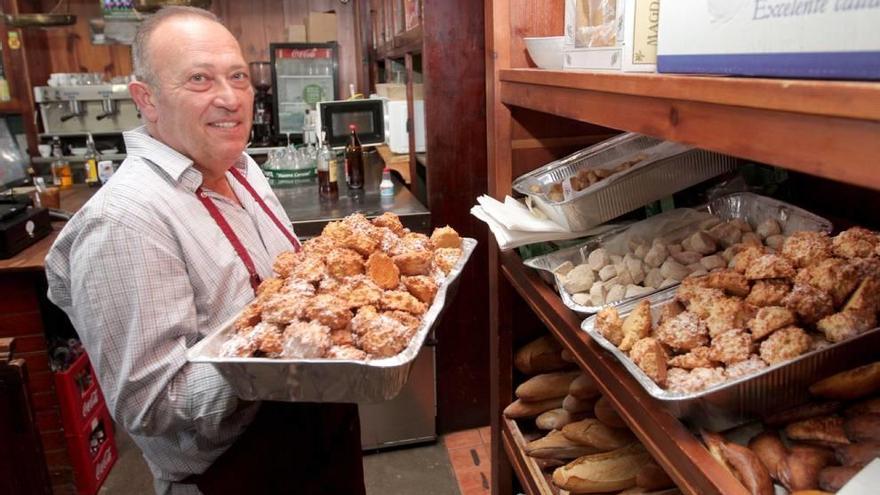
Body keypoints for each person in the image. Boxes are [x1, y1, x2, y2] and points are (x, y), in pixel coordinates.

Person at [45, 7, 364, 495]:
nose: (230, 98)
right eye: (199, 79)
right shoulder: (124, 221)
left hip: (318, 439)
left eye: (238, 76)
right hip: (237, 474)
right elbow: (149, 401)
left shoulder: (242, 168)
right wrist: (285, 356)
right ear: (146, 99)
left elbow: (280, 282)